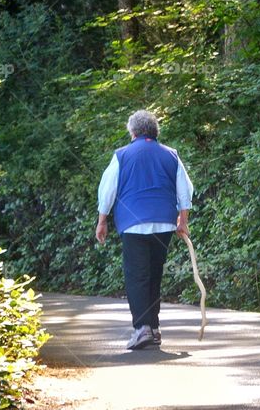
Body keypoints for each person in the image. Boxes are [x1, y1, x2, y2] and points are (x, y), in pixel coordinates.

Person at [95, 110, 194, 350]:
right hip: (164, 223)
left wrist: (102, 220)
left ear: (133, 132)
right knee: (153, 274)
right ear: (154, 131)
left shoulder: (122, 155)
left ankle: (142, 329)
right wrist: (183, 220)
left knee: (137, 275)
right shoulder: (171, 155)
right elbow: (185, 190)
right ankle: (154, 327)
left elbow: (107, 190)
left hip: (133, 223)